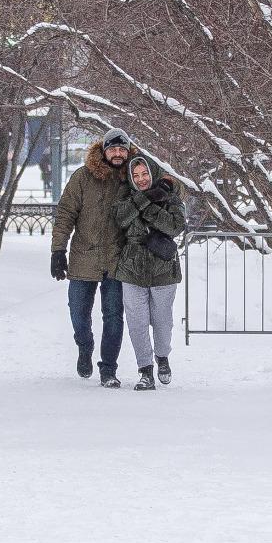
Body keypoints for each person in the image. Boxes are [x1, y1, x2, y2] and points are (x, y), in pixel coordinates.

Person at [49, 130, 133, 384]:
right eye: (113, 149)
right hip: (84, 258)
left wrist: (168, 186)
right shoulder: (82, 178)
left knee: (113, 316)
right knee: (78, 314)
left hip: (117, 260)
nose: (117, 154)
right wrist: (57, 250)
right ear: (103, 150)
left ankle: (108, 370)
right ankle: (84, 346)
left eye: (122, 149)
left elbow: (173, 190)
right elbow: (65, 214)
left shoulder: (133, 176)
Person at [112, 152, 186, 391]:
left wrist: (150, 206)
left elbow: (175, 226)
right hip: (132, 267)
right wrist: (144, 199)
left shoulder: (171, 197)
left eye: (144, 174)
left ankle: (162, 357)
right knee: (137, 323)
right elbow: (120, 219)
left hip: (162, 267)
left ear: (152, 173)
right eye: (136, 176)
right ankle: (145, 371)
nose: (141, 179)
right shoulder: (125, 198)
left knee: (162, 321)